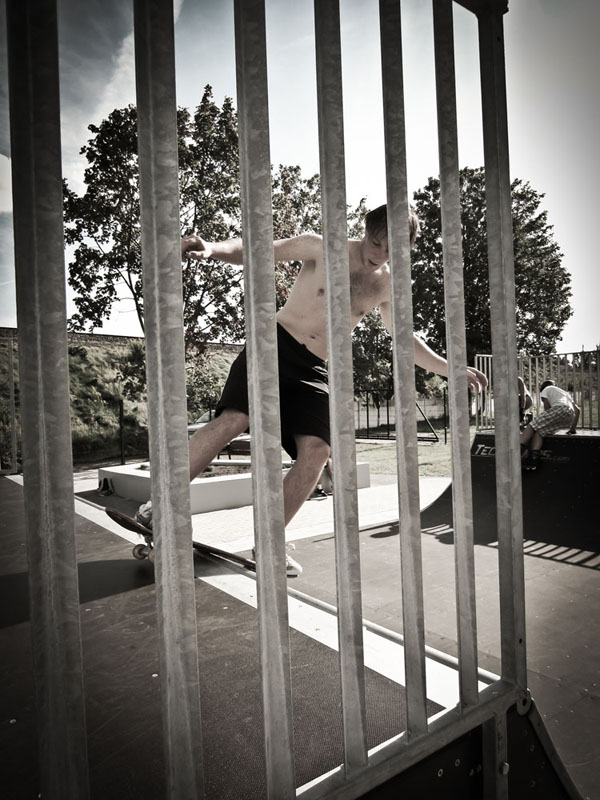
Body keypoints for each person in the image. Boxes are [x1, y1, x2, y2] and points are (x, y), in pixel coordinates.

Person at [136, 204, 487, 574]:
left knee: (318, 451)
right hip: (274, 344)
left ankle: (269, 542)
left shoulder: (388, 284)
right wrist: (212, 249)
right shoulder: (321, 247)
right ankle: (159, 506)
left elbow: (403, 337)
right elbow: (256, 251)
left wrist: (449, 370)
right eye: (375, 242)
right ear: (365, 231)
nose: (379, 253)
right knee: (235, 419)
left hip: (314, 367)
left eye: (390, 249)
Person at [520, 379, 579, 470]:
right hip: (570, 417)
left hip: (559, 410)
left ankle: (518, 448)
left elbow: (547, 409)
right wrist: (573, 429)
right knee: (540, 431)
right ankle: (533, 460)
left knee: (532, 425)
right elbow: (577, 410)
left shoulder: (546, 390)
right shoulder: (565, 394)